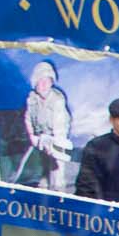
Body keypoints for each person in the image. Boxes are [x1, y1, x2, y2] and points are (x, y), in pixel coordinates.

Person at [21, 59, 75, 190]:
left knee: (57, 162)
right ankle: (45, 179)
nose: (44, 84)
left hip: (57, 135)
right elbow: (28, 118)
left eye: (47, 80)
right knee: (44, 160)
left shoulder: (57, 100)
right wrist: (33, 136)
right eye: (41, 81)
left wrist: (53, 142)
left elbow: (60, 124)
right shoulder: (32, 99)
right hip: (41, 135)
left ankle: (59, 185)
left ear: (52, 82)